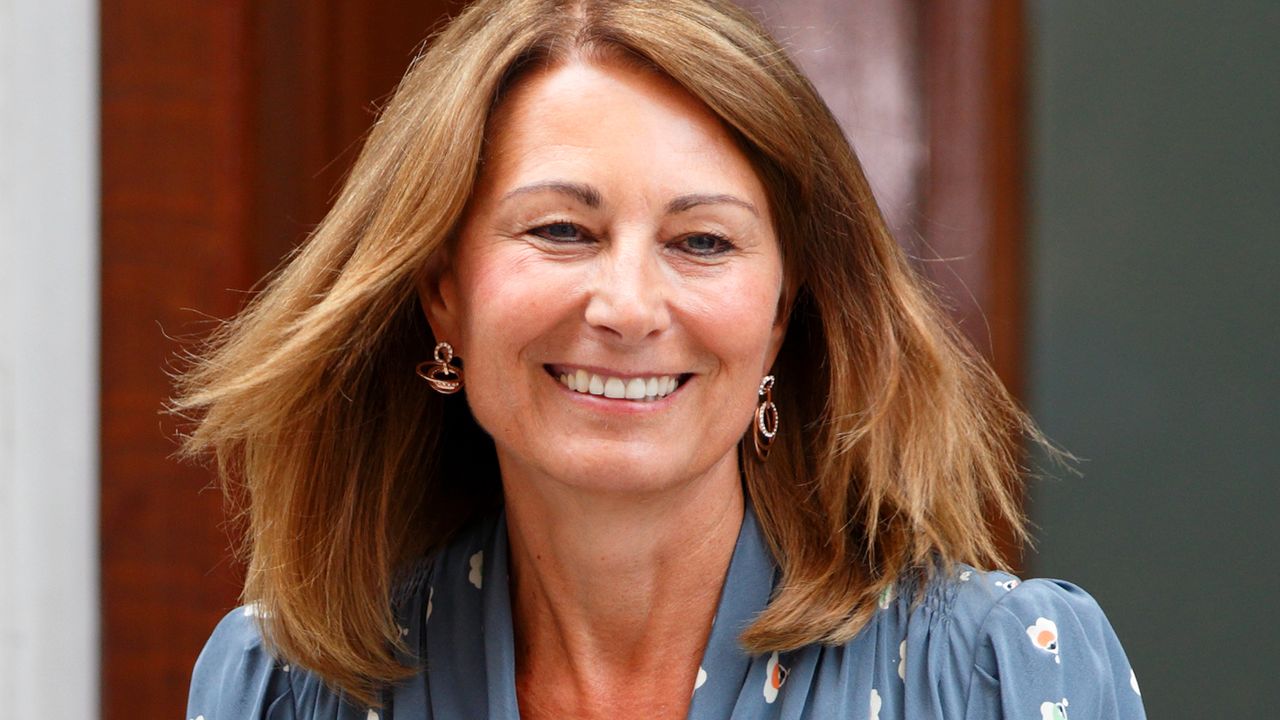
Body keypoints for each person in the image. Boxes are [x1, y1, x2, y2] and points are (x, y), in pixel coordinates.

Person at [177, 1, 1147, 718]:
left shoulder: (998, 678)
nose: (629, 307)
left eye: (701, 242)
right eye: (561, 229)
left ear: (778, 316)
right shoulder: (284, 689)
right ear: (442, 289)